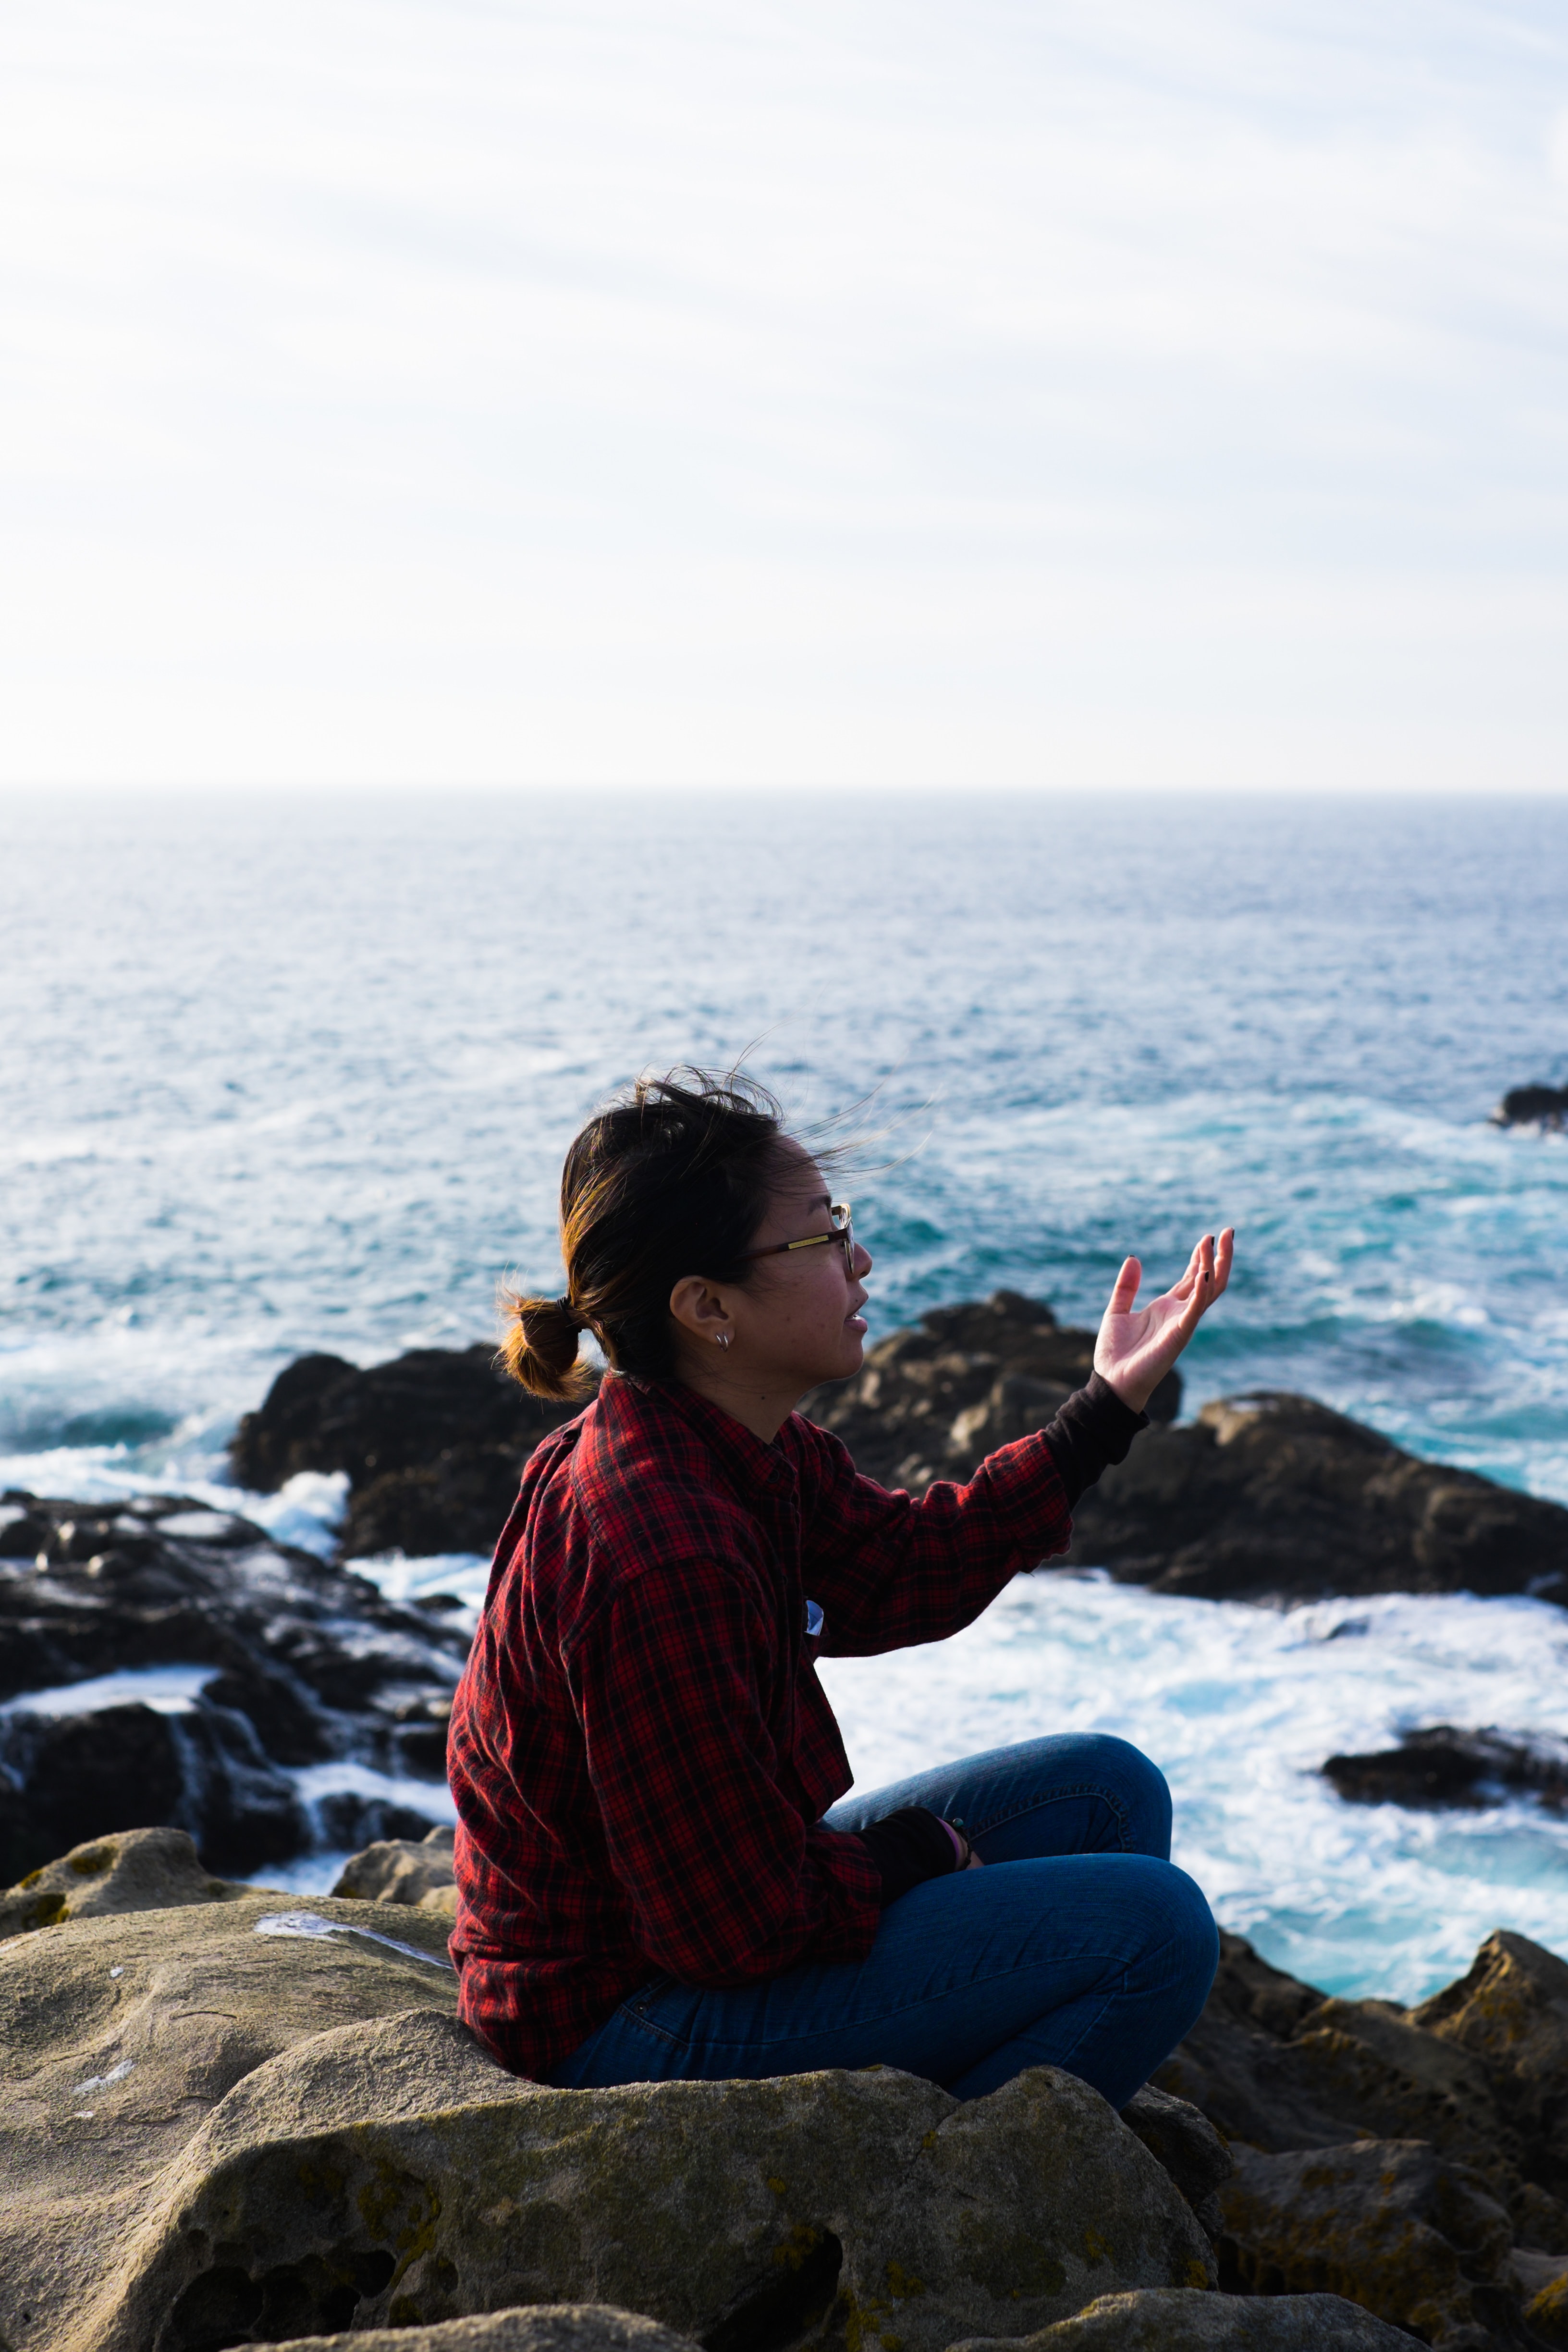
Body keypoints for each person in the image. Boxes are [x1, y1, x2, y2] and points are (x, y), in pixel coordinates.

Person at [448, 1068, 1234, 2106]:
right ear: (707, 1308)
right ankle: (953, 2200)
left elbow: (908, 1568)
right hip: (620, 2014)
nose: (859, 1260)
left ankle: (1003, 2113)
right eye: (821, 1238)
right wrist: (912, 1853)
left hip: (688, 1933)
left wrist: (1103, 1409)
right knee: (1157, 1933)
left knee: (1105, 1788)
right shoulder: (661, 1548)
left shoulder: (730, 1446)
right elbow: (730, 1926)